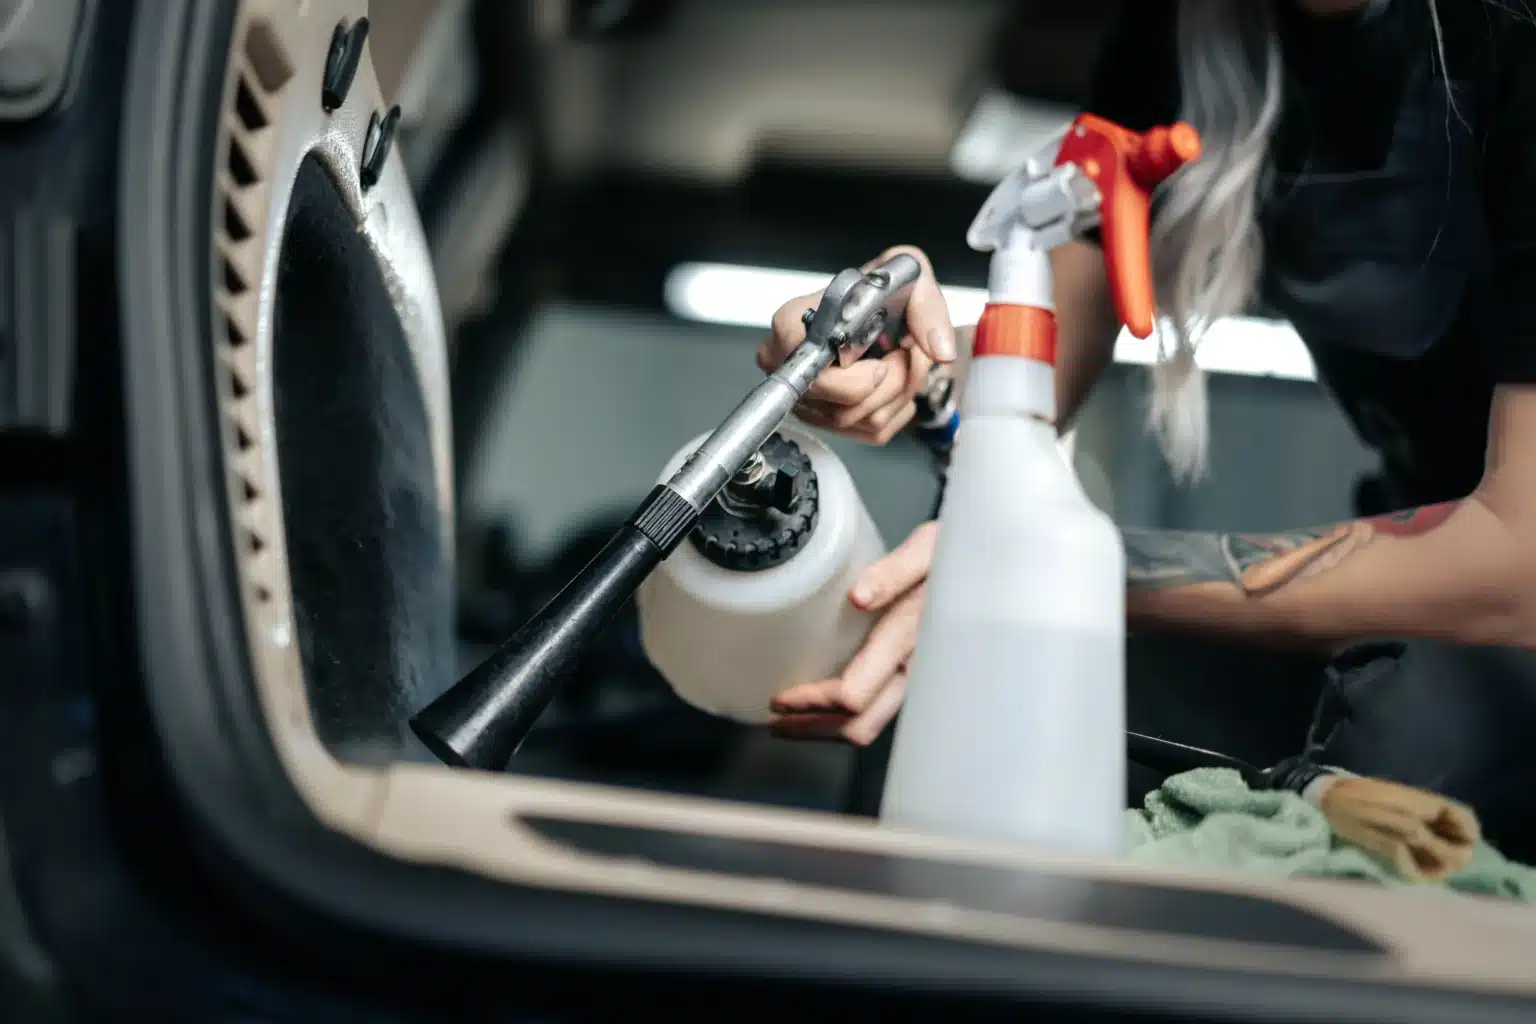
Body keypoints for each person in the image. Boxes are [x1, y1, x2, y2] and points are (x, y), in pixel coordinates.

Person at [756, 0, 1536, 861]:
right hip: (1429, 562)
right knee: (975, 678)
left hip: (1501, 592)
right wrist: (897, 358)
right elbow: (1031, 367)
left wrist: (1050, 566)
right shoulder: (1183, 32)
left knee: (1408, 732)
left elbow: (1518, 564)